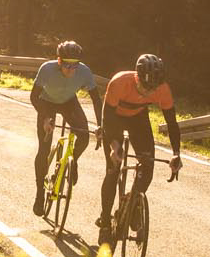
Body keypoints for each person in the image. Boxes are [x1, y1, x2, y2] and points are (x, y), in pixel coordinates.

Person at [97, 53, 181, 242]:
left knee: (147, 168)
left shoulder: (162, 88)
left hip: (138, 119)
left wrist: (176, 154)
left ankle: (131, 203)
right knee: (113, 169)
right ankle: (104, 221)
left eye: (153, 89)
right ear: (137, 76)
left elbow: (172, 123)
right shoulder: (119, 82)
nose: (148, 93)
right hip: (114, 120)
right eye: (145, 87)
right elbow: (107, 119)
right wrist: (114, 145)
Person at [30, 40, 101, 214]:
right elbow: (33, 96)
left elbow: (96, 99)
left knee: (84, 137)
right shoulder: (47, 69)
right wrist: (46, 118)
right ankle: (40, 193)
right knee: (44, 148)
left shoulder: (84, 72)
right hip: (46, 103)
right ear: (59, 61)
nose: (70, 70)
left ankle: (73, 161)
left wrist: (100, 125)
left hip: (69, 102)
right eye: (67, 65)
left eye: (74, 66)